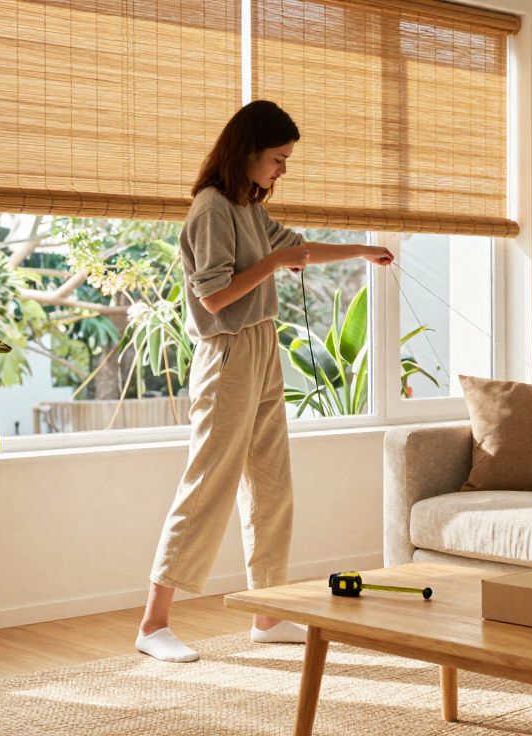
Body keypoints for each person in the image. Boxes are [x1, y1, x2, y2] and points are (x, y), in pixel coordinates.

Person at [135, 100, 394, 663]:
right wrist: (278, 264)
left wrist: (361, 249)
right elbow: (214, 294)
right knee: (208, 483)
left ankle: (268, 613)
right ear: (248, 151)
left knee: (272, 484)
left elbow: (295, 249)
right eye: (278, 159)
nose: (282, 170)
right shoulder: (210, 208)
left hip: (261, 345)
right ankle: (153, 623)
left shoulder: (248, 207)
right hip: (226, 353)